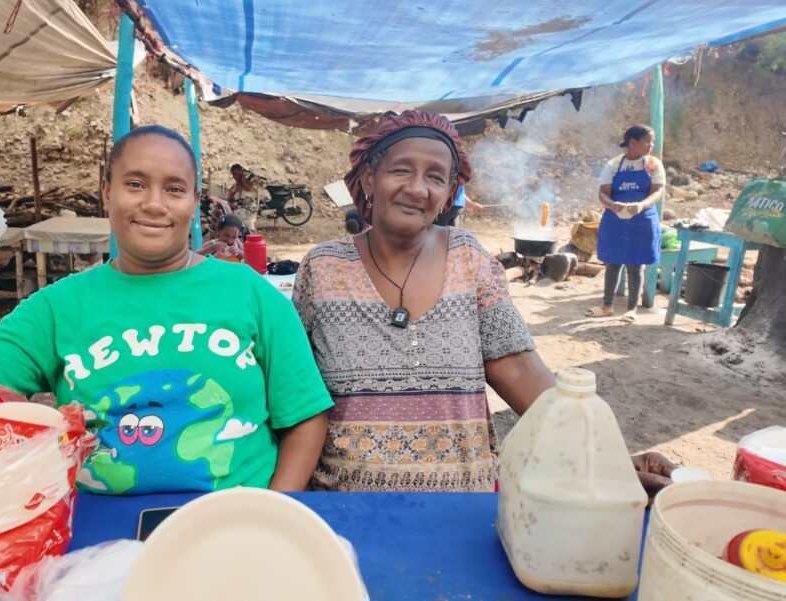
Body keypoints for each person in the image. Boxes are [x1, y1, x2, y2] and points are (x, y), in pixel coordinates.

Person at [0, 125, 333, 495]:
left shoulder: (251, 294)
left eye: (174, 189)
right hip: (96, 529)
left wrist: (274, 511)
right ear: (107, 192)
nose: (153, 203)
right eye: (135, 184)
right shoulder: (59, 306)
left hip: (232, 524)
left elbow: (304, 415)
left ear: (194, 202)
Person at [293, 110, 675, 496]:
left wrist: (609, 460)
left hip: (465, 506)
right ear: (368, 179)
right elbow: (292, 392)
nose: (417, 189)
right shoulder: (323, 268)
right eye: (401, 170)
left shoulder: (468, 258)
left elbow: (520, 370)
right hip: (344, 508)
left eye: (435, 177)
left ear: (448, 195)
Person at [586, 125, 666, 322]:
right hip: (615, 221)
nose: (651, 146)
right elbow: (603, 193)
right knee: (612, 263)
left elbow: (657, 191)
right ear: (633, 142)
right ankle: (607, 306)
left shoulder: (653, 165)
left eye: (652, 142)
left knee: (635, 264)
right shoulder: (613, 165)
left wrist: (641, 205)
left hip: (642, 220)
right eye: (648, 142)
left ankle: (631, 310)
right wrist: (613, 205)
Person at [227, 163, 260, 231]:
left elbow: (250, 189)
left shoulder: (249, 184)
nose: (237, 176)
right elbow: (228, 200)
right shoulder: (234, 187)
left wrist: (244, 180)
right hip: (238, 212)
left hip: (249, 212)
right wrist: (231, 204)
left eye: (239, 174)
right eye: (235, 174)